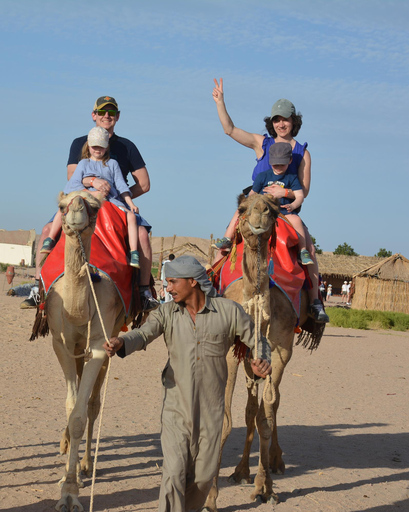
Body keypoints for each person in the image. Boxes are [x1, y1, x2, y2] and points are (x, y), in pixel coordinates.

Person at [103, 256, 271, 512]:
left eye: (172, 281)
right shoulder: (166, 313)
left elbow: (258, 341)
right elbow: (144, 333)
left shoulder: (229, 311)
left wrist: (261, 361)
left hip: (212, 411)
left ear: (193, 281)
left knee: (203, 477)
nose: (168, 288)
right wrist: (122, 342)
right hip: (175, 409)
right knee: (173, 474)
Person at [22, 95, 157, 310]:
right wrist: (92, 181)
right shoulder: (79, 143)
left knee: (142, 235)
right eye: (102, 112)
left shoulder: (126, 146)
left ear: (117, 117)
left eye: (111, 113)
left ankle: (144, 292)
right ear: (93, 115)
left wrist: (121, 197)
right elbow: (71, 175)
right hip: (82, 200)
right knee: (48, 229)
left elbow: (144, 183)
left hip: (114, 202)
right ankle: (38, 286)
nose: (106, 116)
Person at [211, 78, 328, 323]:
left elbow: (303, 189)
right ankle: (211, 292)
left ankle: (315, 301)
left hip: (285, 209)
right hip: (255, 207)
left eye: (285, 119)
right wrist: (220, 103)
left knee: (311, 251)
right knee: (223, 245)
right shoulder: (261, 143)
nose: (281, 123)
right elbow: (229, 130)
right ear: (271, 122)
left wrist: (282, 194)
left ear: (293, 121)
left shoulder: (301, 152)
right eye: (276, 119)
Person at [42, 126, 142, 267]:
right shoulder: (83, 163)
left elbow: (121, 185)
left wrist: (130, 203)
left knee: (131, 216)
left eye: (101, 147)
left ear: (106, 147)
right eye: (94, 146)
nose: (97, 150)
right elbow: (72, 184)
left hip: (109, 199)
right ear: (88, 146)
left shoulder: (112, 164)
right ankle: (50, 239)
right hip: (84, 198)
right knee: (63, 208)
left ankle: (133, 252)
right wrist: (91, 193)